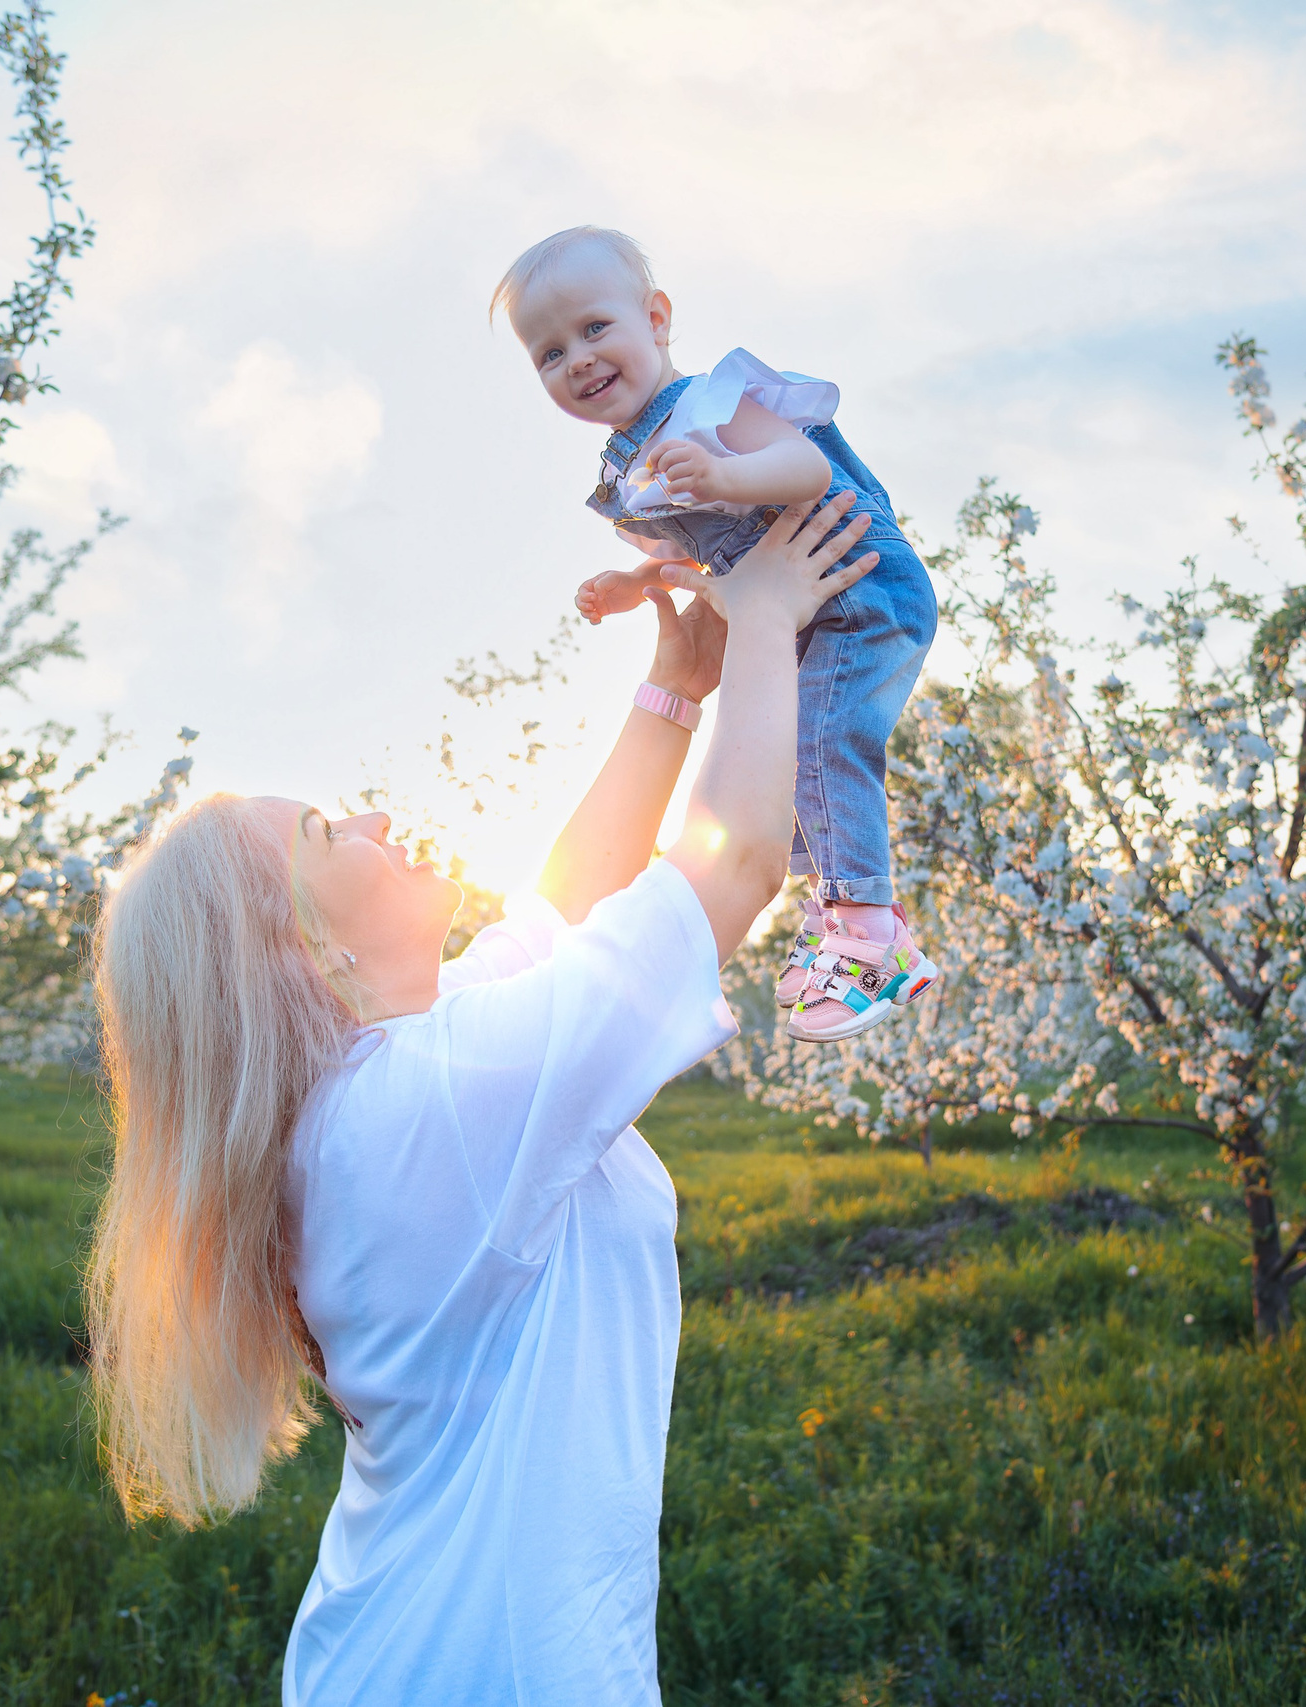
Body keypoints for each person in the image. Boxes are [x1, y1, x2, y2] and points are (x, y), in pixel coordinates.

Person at [84, 496, 880, 1705]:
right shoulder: (422, 1112)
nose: (368, 814)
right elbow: (735, 867)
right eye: (321, 832)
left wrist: (676, 687)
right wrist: (767, 618)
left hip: (428, 1656)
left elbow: (559, 907)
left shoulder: (402, 1074)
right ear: (298, 950)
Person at [492, 224, 946, 1041]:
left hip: (858, 586)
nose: (579, 359)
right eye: (550, 353)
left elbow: (804, 470)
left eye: (595, 328)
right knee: (785, 758)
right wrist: (634, 583)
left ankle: (867, 935)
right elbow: (697, 559)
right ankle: (856, 919)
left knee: (825, 743)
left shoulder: (710, 406)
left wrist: (725, 471)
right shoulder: (631, 470)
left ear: (657, 320)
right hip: (798, 605)